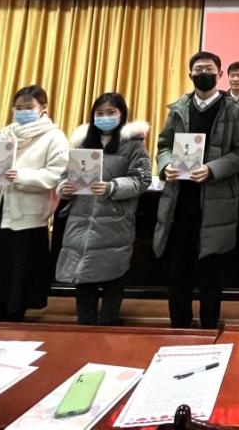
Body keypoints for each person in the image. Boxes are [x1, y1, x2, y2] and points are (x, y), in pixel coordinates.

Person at [153, 51, 239, 329]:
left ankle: (209, 328)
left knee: (211, 273)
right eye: (198, 70)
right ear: (190, 75)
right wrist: (166, 165)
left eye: (209, 69)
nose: (203, 73)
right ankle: (179, 326)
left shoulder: (233, 110)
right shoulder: (179, 108)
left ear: (220, 74)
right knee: (178, 270)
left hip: (216, 203)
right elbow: (163, 146)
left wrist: (212, 169)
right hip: (179, 201)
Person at [0, 84, 68, 322]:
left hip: (27, 216)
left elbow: (56, 174)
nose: (23, 112)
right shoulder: (4, 134)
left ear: (43, 108)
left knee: (17, 270)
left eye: (29, 107)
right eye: (18, 108)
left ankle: (13, 314)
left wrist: (20, 176)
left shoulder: (54, 137)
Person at [55, 93, 151, 326]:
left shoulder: (133, 144)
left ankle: (108, 326)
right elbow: (65, 176)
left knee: (113, 279)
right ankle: (85, 326)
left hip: (114, 222)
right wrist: (64, 188)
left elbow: (142, 179)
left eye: (111, 112)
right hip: (81, 220)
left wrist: (111, 187)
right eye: (99, 113)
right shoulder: (82, 143)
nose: (104, 117)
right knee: (83, 279)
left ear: (122, 114)